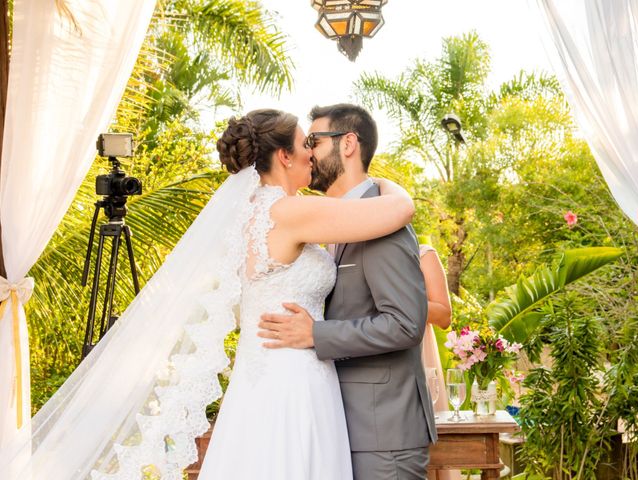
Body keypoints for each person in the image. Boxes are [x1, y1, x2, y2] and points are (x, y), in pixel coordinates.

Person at [0, 108, 417, 479]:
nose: (311, 153)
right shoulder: (288, 211)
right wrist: (389, 186)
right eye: (302, 145)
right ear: (284, 157)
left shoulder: (248, 215)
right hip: (293, 379)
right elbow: (398, 213)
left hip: (260, 377)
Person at [258, 103, 437, 480]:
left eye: (314, 141)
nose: (307, 151)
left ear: (349, 143)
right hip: (336, 422)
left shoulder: (382, 220)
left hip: (383, 433)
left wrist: (315, 334)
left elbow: (406, 324)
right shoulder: (341, 223)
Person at [419, 244, 460, 480]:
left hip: (419, 356)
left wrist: (398, 304)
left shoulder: (423, 254)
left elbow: (444, 315)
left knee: (430, 452)